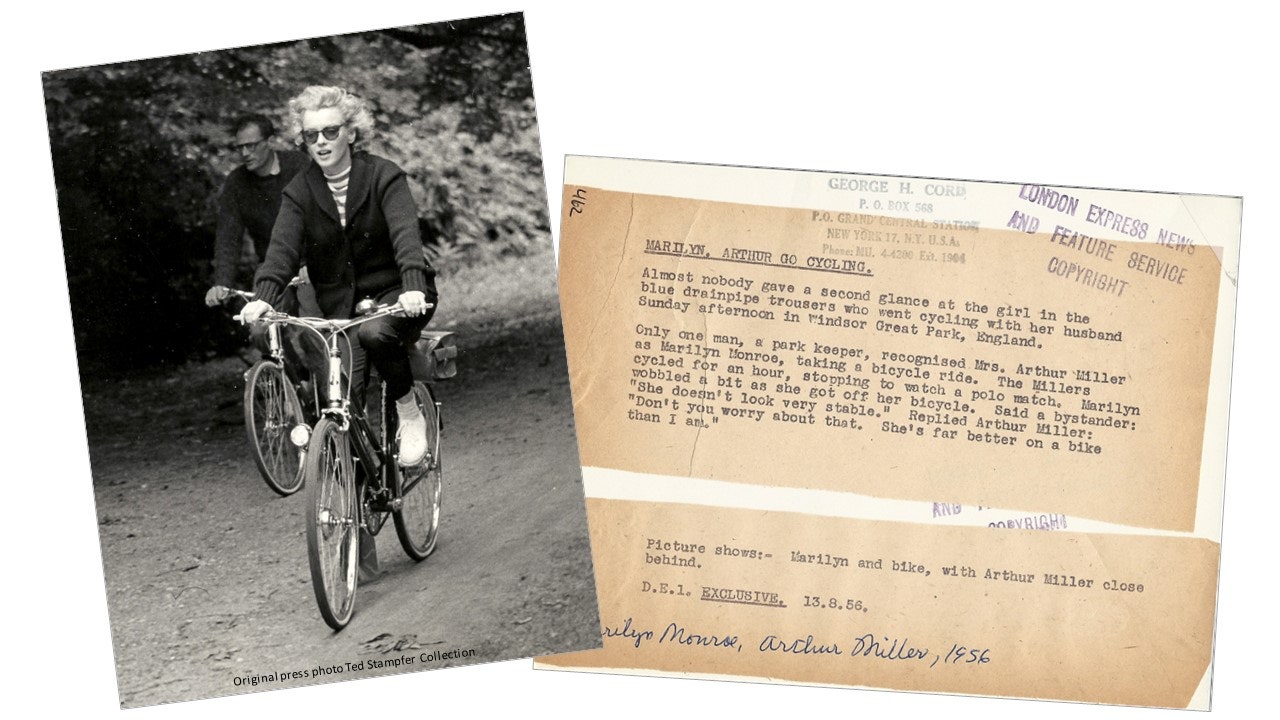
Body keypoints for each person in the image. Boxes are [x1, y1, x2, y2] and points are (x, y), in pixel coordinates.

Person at [239, 86, 437, 466]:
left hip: (396, 294)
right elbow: (281, 250)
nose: (321, 142)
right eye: (311, 135)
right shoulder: (299, 192)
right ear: (303, 140)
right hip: (340, 307)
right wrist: (263, 296)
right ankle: (357, 501)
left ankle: (409, 412)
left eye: (331, 131)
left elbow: (406, 238)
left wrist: (413, 287)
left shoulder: (384, 176)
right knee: (344, 399)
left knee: (375, 335)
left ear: (351, 131)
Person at [204, 114, 310, 308]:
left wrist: (316, 261)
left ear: (269, 141)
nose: (245, 153)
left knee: (313, 325)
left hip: (310, 265)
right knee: (260, 328)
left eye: (251, 145)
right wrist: (222, 283)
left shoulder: (299, 165)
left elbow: (323, 217)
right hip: (272, 267)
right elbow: (228, 237)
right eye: (240, 147)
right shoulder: (237, 183)